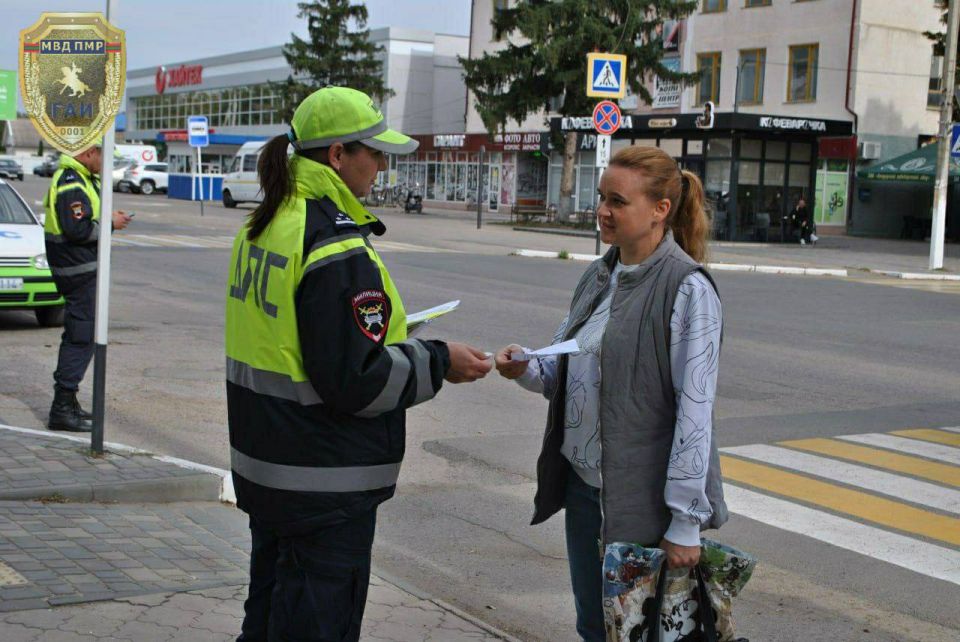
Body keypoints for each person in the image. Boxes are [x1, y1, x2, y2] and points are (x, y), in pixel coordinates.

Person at [224, 86, 492, 642]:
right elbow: (356, 381)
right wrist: (439, 360)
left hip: (269, 469)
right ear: (339, 154)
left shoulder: (268, 221)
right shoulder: (334, 245)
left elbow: (291, 344)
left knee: (268, 618)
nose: (382, 165)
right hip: (322, 484)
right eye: (375, 152)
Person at [494, 146, 728, 641]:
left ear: (660, 209)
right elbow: (562, 368)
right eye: (601, 197)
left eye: (618, 201)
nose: (602, 211)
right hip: (585, 491)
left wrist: (685, 521)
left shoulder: (687, 289)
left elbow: (695, 410)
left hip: (642, 502)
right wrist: (524, 365)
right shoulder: (600, 275)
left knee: (638, 633)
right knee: (595, 628)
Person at [44, 142, 132, 432]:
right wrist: (111, 224)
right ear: (89, 153)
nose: (105, 163)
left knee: (81, 335)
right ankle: (62, 409)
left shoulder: (80, 179)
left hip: (79, 270)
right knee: (81, 337)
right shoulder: (72, 183)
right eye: (103, 156)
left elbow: (82, 220)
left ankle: (69, 404)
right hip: (78, 272)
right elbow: (77, 229)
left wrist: (108, 218)